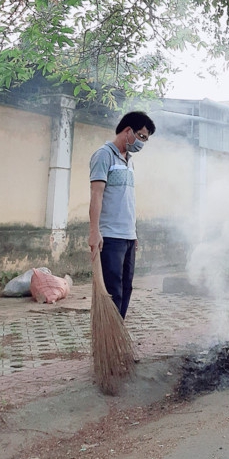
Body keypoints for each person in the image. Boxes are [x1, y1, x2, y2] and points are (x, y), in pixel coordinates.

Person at [88, 111, 156, 318]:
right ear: (128, 131)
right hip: (109, 237)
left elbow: (127, 199)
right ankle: (107, 343)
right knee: (112, 291)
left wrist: (133, 232)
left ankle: (117, 334)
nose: (142, 143)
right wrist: (94, 232)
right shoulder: (103, 155)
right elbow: (96, 195)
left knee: (126, 288)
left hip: (127, 236)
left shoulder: (129, 160)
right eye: (141, 137)